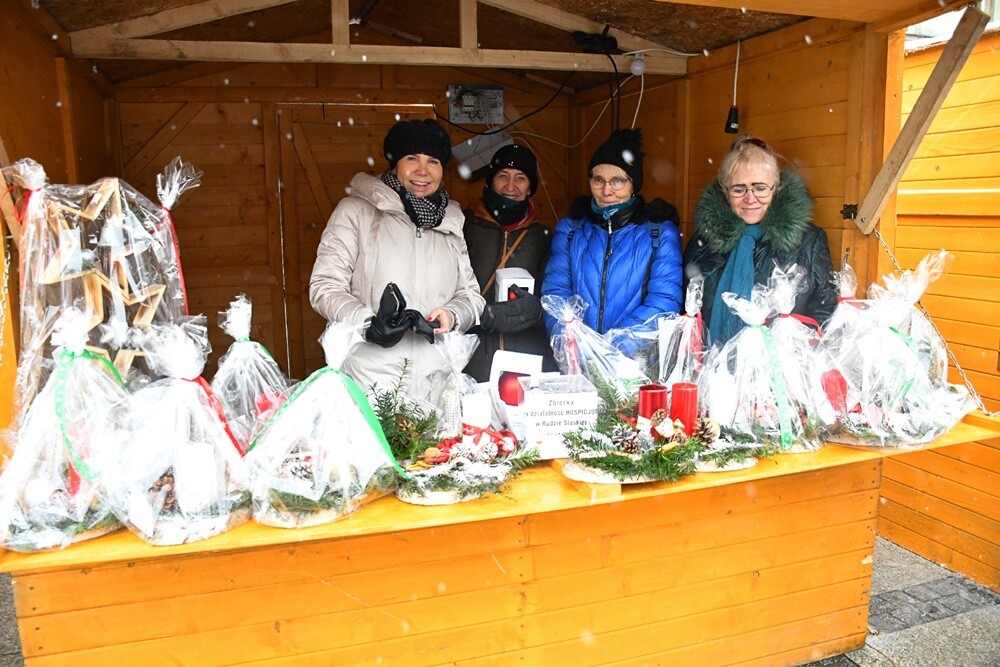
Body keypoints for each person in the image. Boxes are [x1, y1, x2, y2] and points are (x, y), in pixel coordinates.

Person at [309, 118, 485, 398]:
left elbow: (471, 298)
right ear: (395, 164)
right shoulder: (356, 212)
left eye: (433, 161)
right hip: (370, 382)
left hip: (435, 386)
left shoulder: (451, 222)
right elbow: (324, 286)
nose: (422, 171)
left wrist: (451, 316)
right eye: (412, 158)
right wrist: (367, 323)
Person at [683, 135, 837, 344]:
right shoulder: (705, 239)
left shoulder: (808, 241)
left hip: (779, 367)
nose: (750, 198)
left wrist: (791, 350)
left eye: (760, 188)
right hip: (709, 364)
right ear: (726, 192)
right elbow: (686, 303)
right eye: (739, 189)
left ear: (776, 187)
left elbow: (824, 308)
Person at [541, 128, 684, 340]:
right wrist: (577, 345)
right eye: (598, 180)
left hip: (634, 364)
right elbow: (556, 293)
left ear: (633, 184)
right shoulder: (570, 230)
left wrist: (612, 349)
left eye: (617, 181)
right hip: (577, 358)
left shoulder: (659, 232)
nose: (607, 191)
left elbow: (664, 301)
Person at [462, 143, 555, 382]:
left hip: (526, 359)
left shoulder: (543, 237)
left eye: (520, 178)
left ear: (530, 187)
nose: (510, 187)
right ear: (490, 180)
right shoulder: (463, 227)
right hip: (471, 358)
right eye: (503, 176)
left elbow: (555, 296)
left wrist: (535, 311)